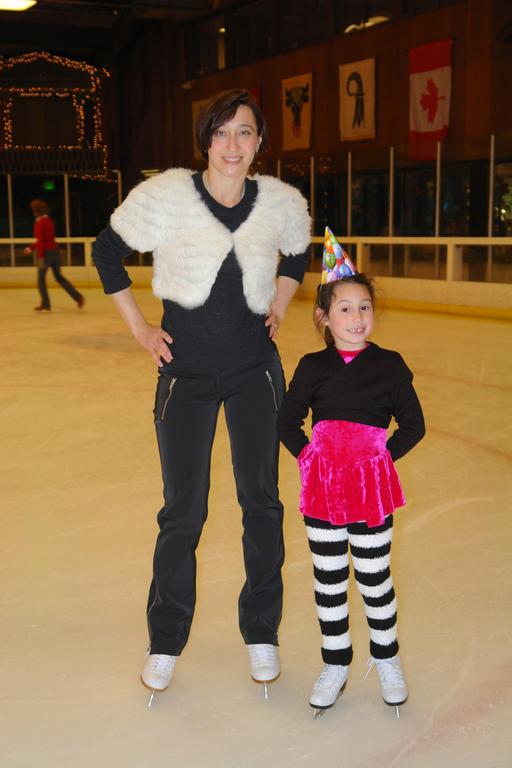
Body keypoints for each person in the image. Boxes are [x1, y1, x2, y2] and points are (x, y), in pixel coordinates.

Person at [92, 89, 311, 699]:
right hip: (184, 376)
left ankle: (261, 630)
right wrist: (140, 328)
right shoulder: (165, 196)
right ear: (205, 141)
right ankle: (165, 640)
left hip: (254, 373)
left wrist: (281, 303)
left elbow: (300, 250)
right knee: (183, 512)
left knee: (261, 504)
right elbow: (107, 253)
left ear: (259, 141)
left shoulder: (280, 202)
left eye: (244, 132)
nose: (231, 145)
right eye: (220, 132)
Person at [277, 231, 425, 716]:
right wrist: (310, 460)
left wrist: (378, 461)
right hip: (323, 494)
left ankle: (387, 659)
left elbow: (414, 426)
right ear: (324, 316)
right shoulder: (312, 366)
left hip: (370, 494)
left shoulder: (389, 365)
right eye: (345, 308)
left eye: (364, 307)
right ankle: (335, 662)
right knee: (329, 582)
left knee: (374, 579)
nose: (357, 317)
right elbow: (286, 422)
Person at [24, 199, 84, 312]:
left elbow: (41, 242)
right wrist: (30, 248)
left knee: (41, 280)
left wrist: (40, 257)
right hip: (55, 252)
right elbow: (47, 239)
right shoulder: (49, 221)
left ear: (36, 212)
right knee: (59, 277)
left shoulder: (39, 223)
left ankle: (45, 304)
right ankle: (78, 297)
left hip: (46, 254)